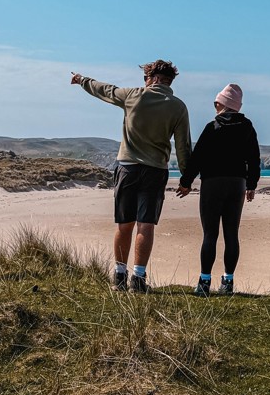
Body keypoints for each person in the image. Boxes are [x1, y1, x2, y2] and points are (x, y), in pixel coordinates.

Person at [71, 59, 191, 293]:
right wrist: (186, 178)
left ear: (153, 79)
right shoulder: (178, 107)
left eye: (146, 78)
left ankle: (119, 276)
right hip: (155, 170)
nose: (144, 83)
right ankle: (138, 279)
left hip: (127, 168)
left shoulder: (133, 96)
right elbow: (183, 146)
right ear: (168, 81)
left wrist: (82, 80)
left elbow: (103, 90)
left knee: (124, 224)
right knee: (146, 225)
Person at [176, 83, 260, 296]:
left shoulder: (212, 127)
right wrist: (251, 185)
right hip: (237, 183)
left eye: (216, 103)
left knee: (210, 234)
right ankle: (228, 282)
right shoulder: (247, 127)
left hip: (212, 184)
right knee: (232, 233)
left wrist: (186, 182)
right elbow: (254, 159)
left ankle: (204, 282)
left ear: (221, 104)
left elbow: (197, 158)